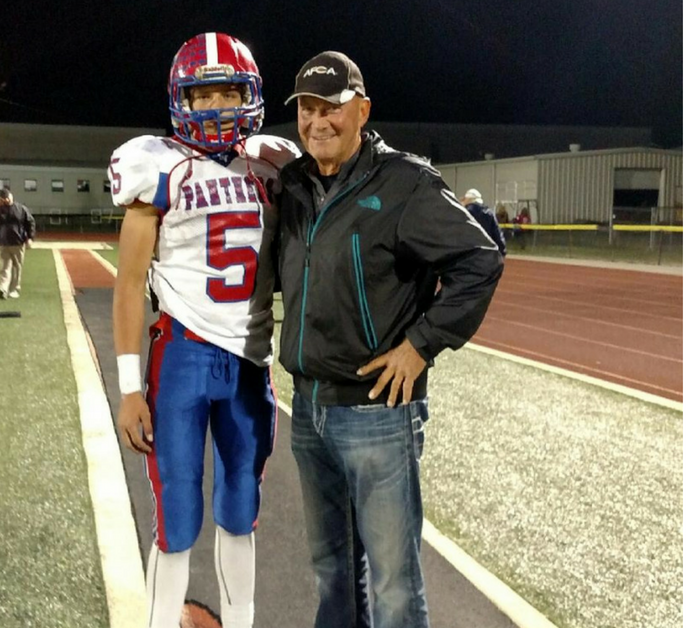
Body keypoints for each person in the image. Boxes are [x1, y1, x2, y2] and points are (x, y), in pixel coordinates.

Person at [275, 51, 504, 628]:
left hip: (377, 413)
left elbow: (480, 259)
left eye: (331, 107)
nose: (317, 120)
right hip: (307, 407)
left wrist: (421, 344)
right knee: (330, 570)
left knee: (394, 585)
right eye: (307, 107)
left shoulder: (404, 183)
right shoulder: (295, 183)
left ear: (362, 110)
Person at [108, 32, 300, 628]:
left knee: (241, 506)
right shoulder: (159, 165)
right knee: (178, 514)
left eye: (228, 93)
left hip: (249, 359)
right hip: (184, 356)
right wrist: (129, 386)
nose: (216, 107)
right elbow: (128, 280)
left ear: (251, 95)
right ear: (179, 101)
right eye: (203, 95)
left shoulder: (272, 163)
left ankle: (240, 623)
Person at [0, 187, 36, 299]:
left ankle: (14, 289)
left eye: (7, 198)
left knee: (16, 267)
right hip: (3, 243)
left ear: (11, 197)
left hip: (17, 242)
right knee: (4, 267)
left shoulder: (21, 209)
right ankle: (3, 288)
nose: (6, 201)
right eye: (3, 199)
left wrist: (30, 237)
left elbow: (30, 222)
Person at [461, 188, 507, 255]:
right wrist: (502, 251)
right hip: (487, 254)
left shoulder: (463, 213)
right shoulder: (489, 213)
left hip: (468, 254)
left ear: (467, 200)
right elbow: (497, 235)